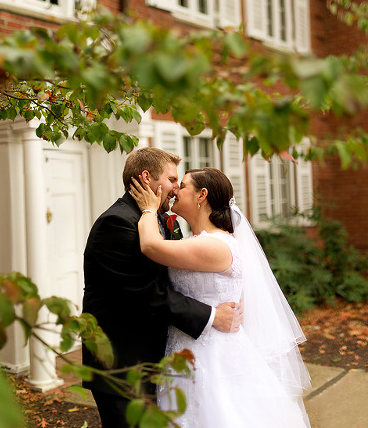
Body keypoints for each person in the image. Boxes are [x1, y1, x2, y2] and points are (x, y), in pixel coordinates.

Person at [130, 167, 311, 428]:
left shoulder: (215, 244)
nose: (175, 191)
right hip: (188, 347)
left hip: (211, 356)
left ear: (202, 195)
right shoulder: (199, 240)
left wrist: (148, 209)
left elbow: (150, 246)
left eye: (182, 185)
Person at [82, 148, 240, 428]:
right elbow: (147, 293)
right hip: (121, 363)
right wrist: (213, 316)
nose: (176, 187)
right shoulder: (118, 223)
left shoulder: (155, 220)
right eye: (171, 179)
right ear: (147, 178)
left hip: (156, 360)